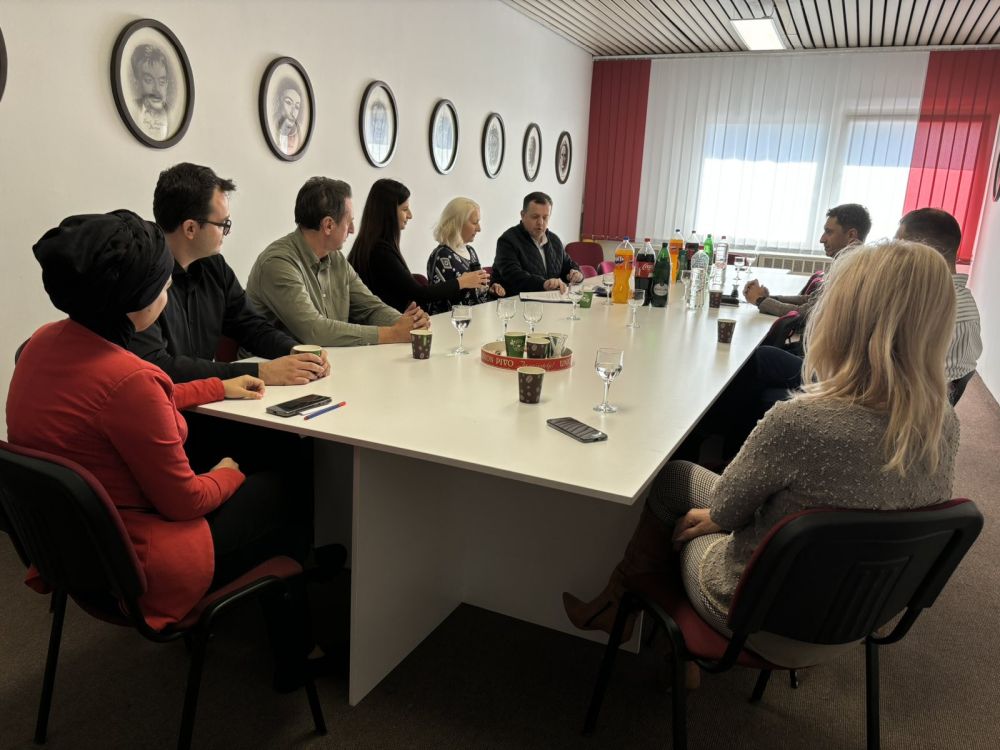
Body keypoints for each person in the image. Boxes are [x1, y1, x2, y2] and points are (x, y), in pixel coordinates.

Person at [563, 240, 959, 669]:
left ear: (840, 319)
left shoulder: (801, 422)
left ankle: (637, 621)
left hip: (751, 614)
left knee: (677, 487)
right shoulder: (945, 424)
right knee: (705, 502)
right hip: (860, 615)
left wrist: (723, 516)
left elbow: (727, 510)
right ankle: (646, 632)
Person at [8, 210, 319, 691]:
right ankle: (294, 644)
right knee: (287, 480)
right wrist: (229, 471)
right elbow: (186, 500)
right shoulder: (131, 380)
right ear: (134, 300)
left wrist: (217, 385)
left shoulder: (42, 345)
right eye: (162, 284)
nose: (168, 289)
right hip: (145, 566)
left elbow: (125, 401)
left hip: (71, 550)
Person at [129, 162, 329, 386]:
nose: (227, 231)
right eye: (223, 224)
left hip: (212, 397)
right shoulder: (140, 275)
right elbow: (158, 366)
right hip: (165, 399)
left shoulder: (214, 266)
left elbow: (251, 326)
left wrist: (296, 352)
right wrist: (259, 372)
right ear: (190, 228)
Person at [246, 177, 430, 346]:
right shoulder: (278, 263)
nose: (353, 229)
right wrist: (393, 334)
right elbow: (315, 331)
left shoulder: (335, 257)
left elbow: (370, 308)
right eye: (349, 222)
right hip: (272, 366)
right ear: (328, 225)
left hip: (325, 361)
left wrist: (407, 323)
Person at [347, 180, 493, 314]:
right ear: (388, 212)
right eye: (405, 209)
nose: (410, 215)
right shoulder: (380, 251)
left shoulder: (375, 246)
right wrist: (462, 282)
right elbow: (419, 293)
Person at [895, 207, 982, 383]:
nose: (892, 253)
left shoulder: (930, 306)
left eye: (898, 245)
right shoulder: (963, 299)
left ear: (923, 249)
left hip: (911, 394)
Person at [743, 203, 872, 316]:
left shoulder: (852, 271)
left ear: (851, 235)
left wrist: (760, 300)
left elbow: (808, 313)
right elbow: (811, 300)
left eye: (829, 232)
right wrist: (768, 298)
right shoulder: (848, 262)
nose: (822, 239)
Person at [425, 197, 506, 315]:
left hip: (476, 316)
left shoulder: (470, 251)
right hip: (453, 321)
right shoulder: (441, 256)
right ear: (458, 223)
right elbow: (442, 301)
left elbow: (476, 291)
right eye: (474, 223)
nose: (479, 228)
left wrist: (490, 290)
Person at [491, 192, 583, 295]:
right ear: (523, 215)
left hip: (551, 300)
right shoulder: (507, 241)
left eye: (545, 217)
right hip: (517, 301)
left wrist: (576, 273)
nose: (540, 222)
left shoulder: (554, 240)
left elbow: (568, 265)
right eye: (535, 217)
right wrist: (544, 284)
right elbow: (514, 276)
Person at [130, 44, 171, 140]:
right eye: (149, 80)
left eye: (161, 82)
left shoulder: (173, 117)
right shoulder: (131, 109)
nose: (157, 89)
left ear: (167, 84)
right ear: (137, 82)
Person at [273, 80, 303, 155]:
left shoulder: (296, 138)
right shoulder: (272, 128)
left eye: (297, 107)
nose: (293, 112)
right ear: (279, 102)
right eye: (288, 102)